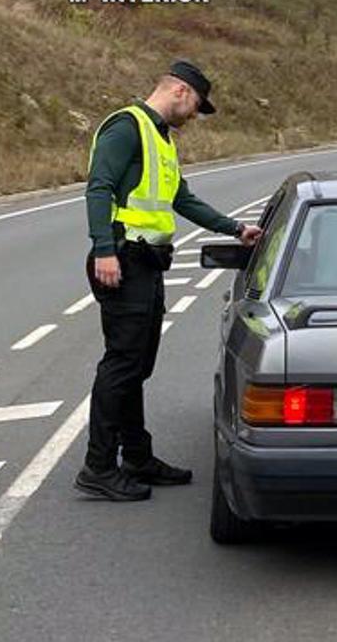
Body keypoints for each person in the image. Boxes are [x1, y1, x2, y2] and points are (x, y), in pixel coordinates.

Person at [76, 61, 262, 502]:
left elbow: (181, 198)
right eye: (197, 105)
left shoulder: (160, 138)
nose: (194, 115)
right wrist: (104, 248)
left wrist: (234, 229)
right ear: (180, 90)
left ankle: (137, 457)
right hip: (122, 258)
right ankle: (98, 466)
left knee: (137, 367)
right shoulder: (127, 127)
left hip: (148, 263)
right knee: (121, 364)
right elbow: (99, 187)